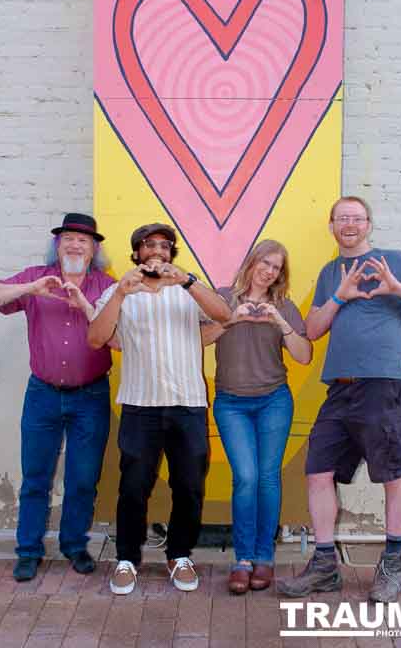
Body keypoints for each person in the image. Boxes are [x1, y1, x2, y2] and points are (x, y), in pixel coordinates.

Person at [279, 196, 401, 603]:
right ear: (332, 226)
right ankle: (324, 566)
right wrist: (340, 296)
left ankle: (392, 565)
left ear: (369, 223)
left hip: (384, 383)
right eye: (342, 219)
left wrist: (397, 288)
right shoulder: (329, 272)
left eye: (357, 218)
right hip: (339, 388)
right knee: (318, 471)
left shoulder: (393, 260)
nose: (350, 224)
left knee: (393, 473)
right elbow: (312, 329)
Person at [87, 222, 231, 595]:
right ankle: (126, 559)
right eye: (148, 245)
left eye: (164, 246)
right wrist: (119, 294)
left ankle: (179, 555)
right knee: (134, 487)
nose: (157, 251)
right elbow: (96, 338)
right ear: (136, 253)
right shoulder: (120, 291)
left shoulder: (186, 290)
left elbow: (224, 315)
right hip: (140, 405)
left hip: (187, 405)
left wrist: (187, 281)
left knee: (189, 486)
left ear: (171, 254)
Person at [0, 213, 114, 582]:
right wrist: (28, 290)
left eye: (83, 240)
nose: (74, 244)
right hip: (43, 395)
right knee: (36, 476)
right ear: (57, 244)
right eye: (68, 237)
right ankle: (29, 550)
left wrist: (85, 303)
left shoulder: (106, 285)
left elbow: (120, 333)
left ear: (94, 248)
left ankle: (74, 545)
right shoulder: (36, 277)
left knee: (83, 477)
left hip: (91, 395)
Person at [202, 240, 312, 595]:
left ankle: (264, 557)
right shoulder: (222, 298)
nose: (269, 271)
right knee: (245, 478)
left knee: (267, 478)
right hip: (231, 403)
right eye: (265, 262)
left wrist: (278, 321)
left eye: (276, 267)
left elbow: (304, 355)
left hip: (273, 402)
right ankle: (242, 559)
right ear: (251, 263)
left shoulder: (284, 307)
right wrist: (233, 319)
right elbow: (199, 338)